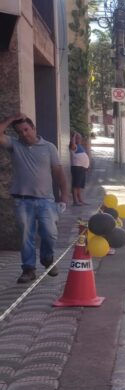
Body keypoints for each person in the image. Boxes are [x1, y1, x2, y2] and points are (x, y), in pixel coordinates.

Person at [0, 114, 67, 283]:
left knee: (50, 234)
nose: (24, 134)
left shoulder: (49, 147)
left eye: (26, 130)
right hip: (22, 200)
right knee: (25, 236)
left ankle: (47, 259)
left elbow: (58, 172)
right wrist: (10, 119)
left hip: (46, 200)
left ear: (34, 128)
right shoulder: (14, 145)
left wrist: (64, 196)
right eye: (20, 132)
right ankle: (28, 269)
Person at [69, 132, 90, 206]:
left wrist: (86, 166)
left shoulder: (80, 146)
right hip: (77, 168)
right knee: (75, 185)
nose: (79, 139)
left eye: (80, 137)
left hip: (82, 168)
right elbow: (73, 144)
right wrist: (74, 136)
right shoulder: (73, 146)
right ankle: (75, 201)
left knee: (79, 186)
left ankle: (80, 200)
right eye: (77, 138)